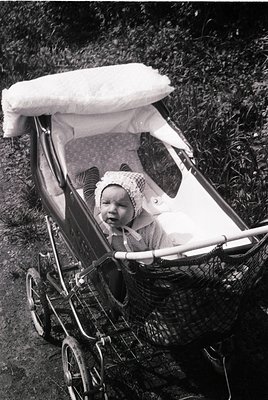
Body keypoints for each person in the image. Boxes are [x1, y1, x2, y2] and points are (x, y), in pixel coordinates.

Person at [82, 168, 173, 252]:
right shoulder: (98, 226)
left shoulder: (149, 226)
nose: (112, 210)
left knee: (133, 184)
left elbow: (166, 250)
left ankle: (125, 168)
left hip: (133, 198)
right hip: (95, 206)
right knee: (90, 192)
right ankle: (90, 172)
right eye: (106, 203)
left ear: (135, 210)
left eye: (121, 205)